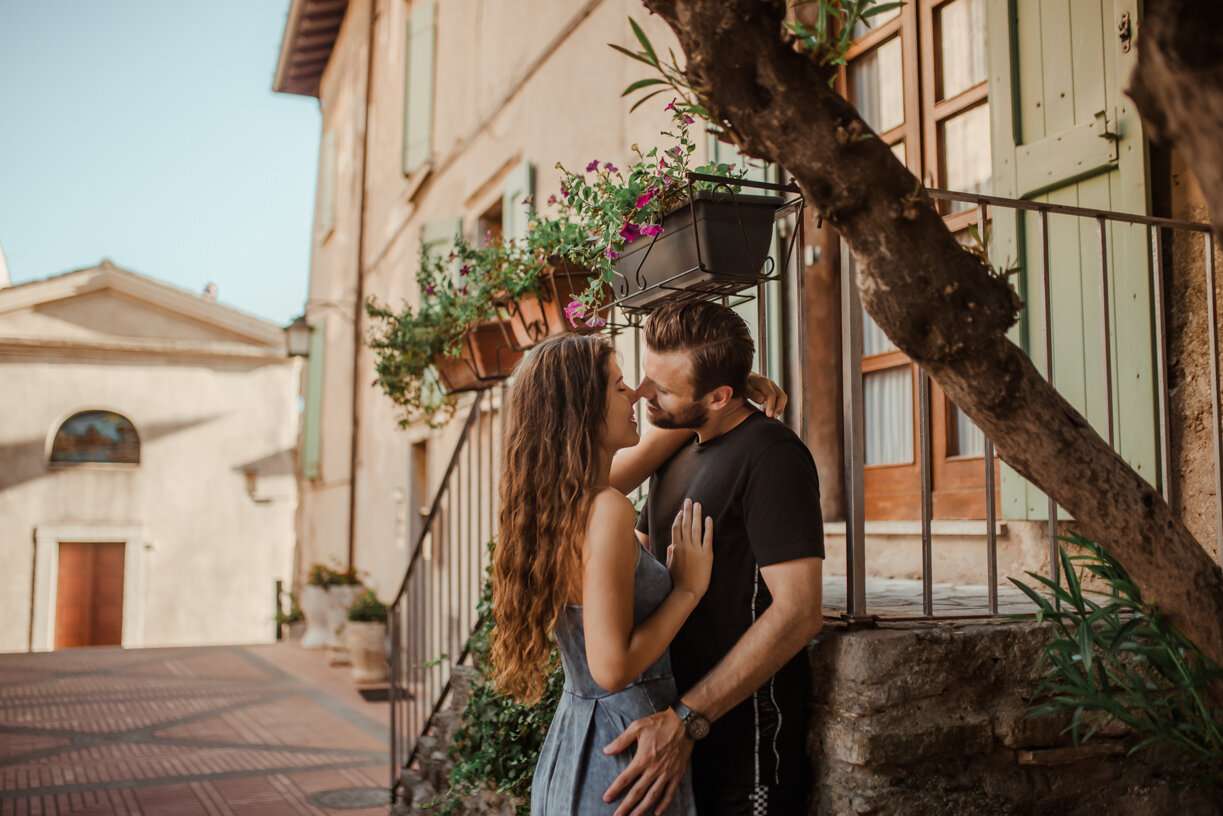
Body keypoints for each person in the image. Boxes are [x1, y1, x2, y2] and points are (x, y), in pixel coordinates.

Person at [490, 332, 787, 816]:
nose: (637, 394)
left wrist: (724, 388)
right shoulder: (605, 508)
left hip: (579, 742)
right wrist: (687, 589)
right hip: (626, 753)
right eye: (619, 385)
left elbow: (653, 445)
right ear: (581, 411)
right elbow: (611, 668)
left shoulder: (559, 501)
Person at [601, 300, 825, 816]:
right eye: (644, 377)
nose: (640, 393)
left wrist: (686, 719)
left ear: (719, 396)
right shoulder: (675, 444)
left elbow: (798, 612)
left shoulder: (772, 455)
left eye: (662, 388)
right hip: (668, 741)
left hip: (742, 753)